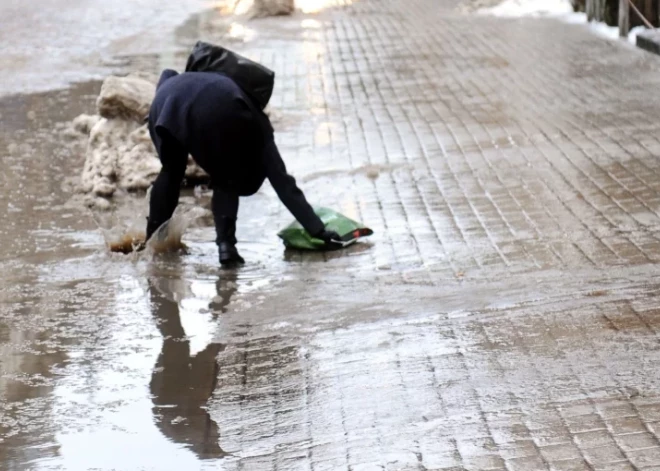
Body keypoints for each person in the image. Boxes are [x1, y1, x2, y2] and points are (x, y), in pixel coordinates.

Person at [144, 69, 340, 266]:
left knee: (172, 171)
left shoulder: (191, 83)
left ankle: (152, 243)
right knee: (226, 173)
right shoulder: (253, 117)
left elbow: (167, 74)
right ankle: (226, 247)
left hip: (163, 106)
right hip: (214, 107)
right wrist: (317, 229)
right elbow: (282, 180)